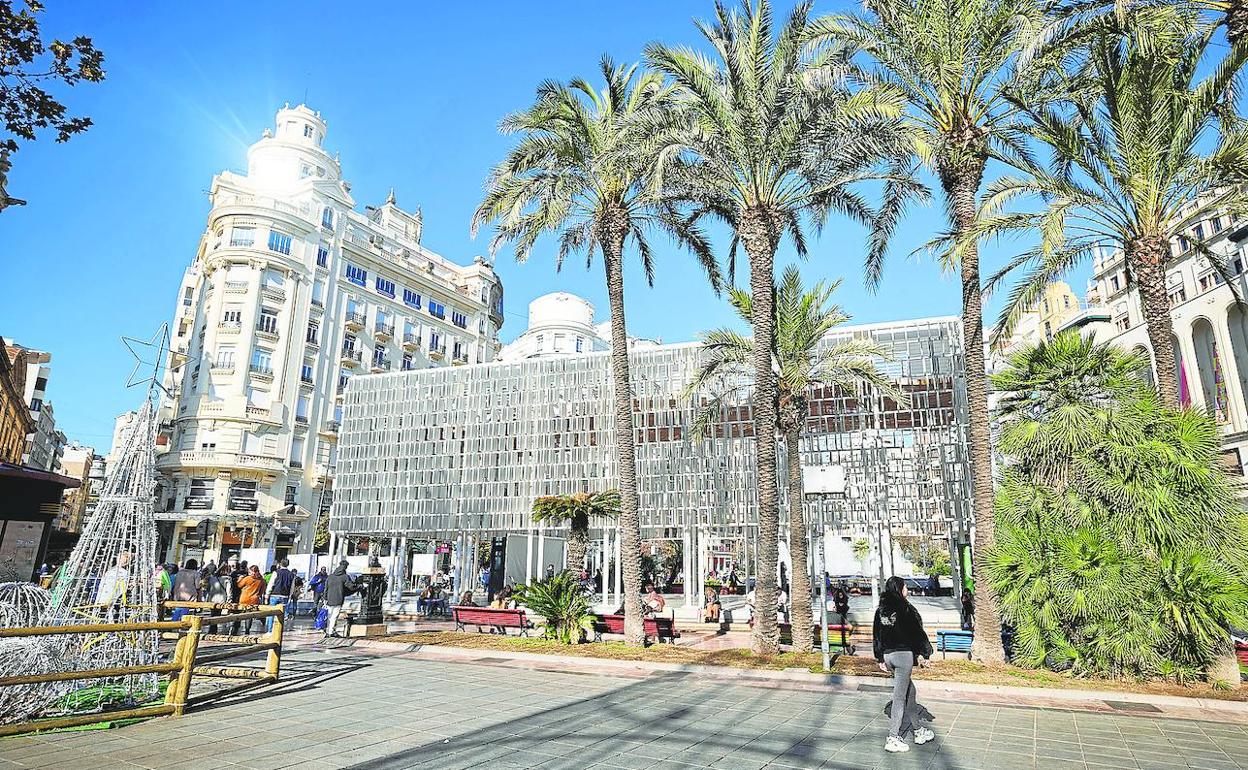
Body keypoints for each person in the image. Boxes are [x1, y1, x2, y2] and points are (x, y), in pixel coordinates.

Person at [873, 576, 935, 753]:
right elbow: (917, 632)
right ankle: (893, 737)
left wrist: (879, 658)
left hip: (888, 656)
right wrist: (925, 653)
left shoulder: (881, 610)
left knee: (910, 692)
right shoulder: (905, 608)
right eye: (905, 587)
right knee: (899, 697)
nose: (907, 590)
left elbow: (876, 634)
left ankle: (918, 730)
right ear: (899, 589)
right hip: (903, 657)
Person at [324, 560, 359, 637]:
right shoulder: (344, 577)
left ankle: (328, 631)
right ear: (345, 567)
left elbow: (325, 589)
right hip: (338, 599)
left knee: (329, 616)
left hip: (329, 599)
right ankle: (331, 632)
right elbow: (351, 587)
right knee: (334, 616)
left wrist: (325, 598)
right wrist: (358, 587)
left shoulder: (330, 576)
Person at [232, 566, 266, 635]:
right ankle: (247, 631)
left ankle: (235, 630)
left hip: (244, 599)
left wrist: (239, 579)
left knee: (239, 614)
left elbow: (239, 585)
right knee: (249, 616)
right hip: (254, 600)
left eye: (250, 571)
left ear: (253, 572)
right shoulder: (262, 580)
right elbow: (262, 591)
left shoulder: (247, 578)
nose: (249, 573)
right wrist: (257, 595)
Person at [266, 559, 296, 631]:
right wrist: (290, 596)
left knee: (271, 614)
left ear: (280, 564)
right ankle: (279, 631)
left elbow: (271, 584)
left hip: (274, 595)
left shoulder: (276, 572)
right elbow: (292, 587)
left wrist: (267, 594)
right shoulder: (291, 575)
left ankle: (269, 630)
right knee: (281, 614)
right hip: (285, 596)